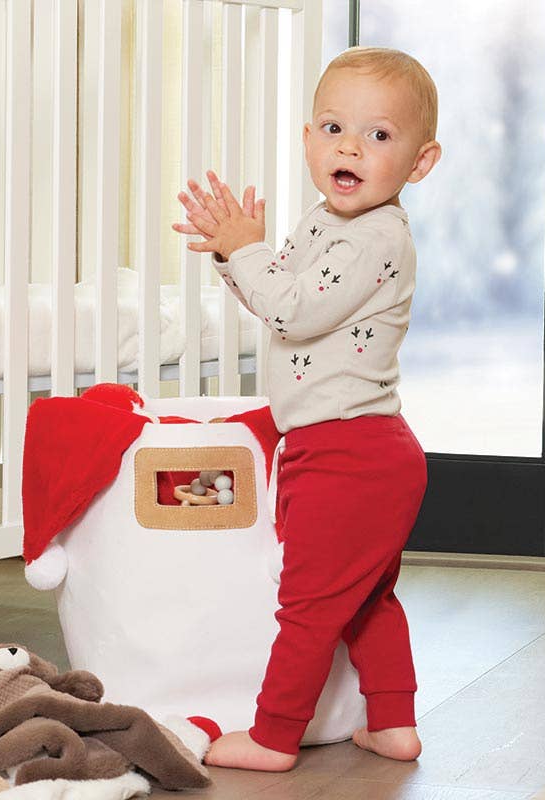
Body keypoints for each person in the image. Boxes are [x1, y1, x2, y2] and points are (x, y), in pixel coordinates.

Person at [172, 46, 442, 772]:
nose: (349, 147)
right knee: (366, 598)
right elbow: (275, 297)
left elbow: (291, 308)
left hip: (350, 454)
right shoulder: (325, 222)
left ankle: (274, 735)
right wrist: (232, 254)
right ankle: (393, 724)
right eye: (332, 128)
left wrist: (249, 250)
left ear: (419, 163)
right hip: (351, 450)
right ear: (307, 139)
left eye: (379, 135)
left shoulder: (378, 237)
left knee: (309, 607)